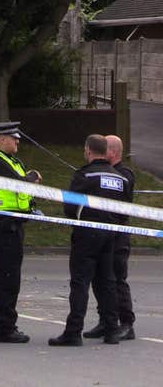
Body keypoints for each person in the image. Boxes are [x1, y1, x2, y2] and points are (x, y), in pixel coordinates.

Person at [49, 134, 130, 346]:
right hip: (110, 234)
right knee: (107, 283)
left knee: (80, 283)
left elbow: (70, 207)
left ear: (88, 150)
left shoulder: (84, 175)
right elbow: (125, 211)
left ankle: (73, 332)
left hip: (87, 234)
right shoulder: (121, 179)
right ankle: (112, 330)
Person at [0, 121, 42, 343]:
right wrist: (32, 177)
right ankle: (3, 328)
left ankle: (6, 324)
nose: (17, 141)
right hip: (2, 226)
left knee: (10, 277)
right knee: (5, 277)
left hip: (12, 225)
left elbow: (21, 191)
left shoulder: (10, 160)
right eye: (14, 138)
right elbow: (19, 184)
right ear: (2, 139)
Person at [83, 134, 136, 341]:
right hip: (102, 235)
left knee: (117, 279)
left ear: (112, 152)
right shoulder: (104, 173)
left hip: (118, 236)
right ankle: (106, 320)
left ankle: (126, 323)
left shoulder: (124, 174)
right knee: (101, 279)